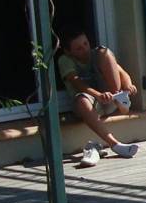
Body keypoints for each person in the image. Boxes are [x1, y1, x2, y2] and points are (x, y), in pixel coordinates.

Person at [56, 28, 141, 167]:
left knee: (104, 52)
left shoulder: (96, 54)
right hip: (90, 103)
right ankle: (115, 144)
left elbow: (122, 72)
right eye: (78, 48)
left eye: (85, 44)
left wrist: (128, 85)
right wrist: (99, 95)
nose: (84, 49)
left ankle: (121, 97)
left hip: (110, 97)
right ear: (68, 52)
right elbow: (77, 83)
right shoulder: (65, 60)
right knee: (82, 100)